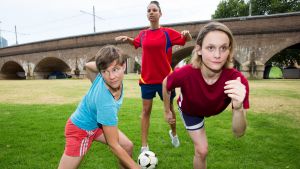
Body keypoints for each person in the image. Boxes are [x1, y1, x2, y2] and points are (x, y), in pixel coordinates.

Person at [162, 22, 249, 169]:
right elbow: (166, 83)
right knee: (202, 151)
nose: (217, 55)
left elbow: (238, 133)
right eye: (210, 48)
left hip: (212, 108)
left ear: (229, 51)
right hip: (191, 110)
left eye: (223, 48)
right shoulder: (185, 74)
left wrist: (239, 107)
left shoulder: (237, 81)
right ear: (199, 49)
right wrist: (167, 110)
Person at [115, 1, 192, 153]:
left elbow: (186, 40)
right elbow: (137, 43)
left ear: (160, 14)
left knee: (170, 109)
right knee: (145, 112)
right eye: (149, 10)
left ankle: (174, 133)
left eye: (154, 10)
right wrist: (128, 39)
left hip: (165, 80)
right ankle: (144, 146)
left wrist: (187, 34)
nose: (151, 12)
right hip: (147, 80)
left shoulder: (167, 33)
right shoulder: (143, 34)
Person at [58, 45, 140, 169]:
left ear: (124, 66)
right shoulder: (106, 102)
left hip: (97, 125)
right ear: (101, 72)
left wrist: (104, 67)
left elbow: (88, 65)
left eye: (115, 69)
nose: (111, 77)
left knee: (127, 146)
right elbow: (113, 145)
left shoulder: (102, 77)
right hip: (80, 129)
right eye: (105, 71)